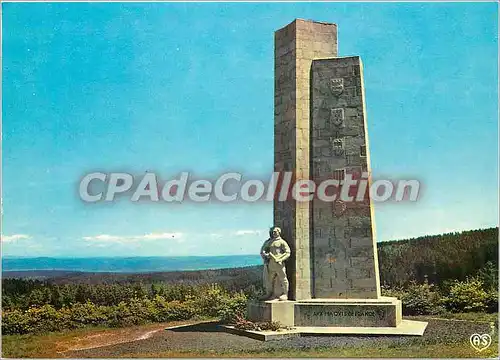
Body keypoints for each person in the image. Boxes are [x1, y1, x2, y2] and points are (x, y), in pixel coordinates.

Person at [260, 226, 291, 301]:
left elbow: (288, 252)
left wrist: (281, 259)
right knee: (270, 279)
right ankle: (269, 293)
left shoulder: (282, 242)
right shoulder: (270, 242)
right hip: (271, 263)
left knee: (283, 278)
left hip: (279, 264)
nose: (273, 233)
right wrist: (265, 255)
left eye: (275, 231)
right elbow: (263, 251)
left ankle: (285, 294)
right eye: (273, 232)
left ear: (279, 232)